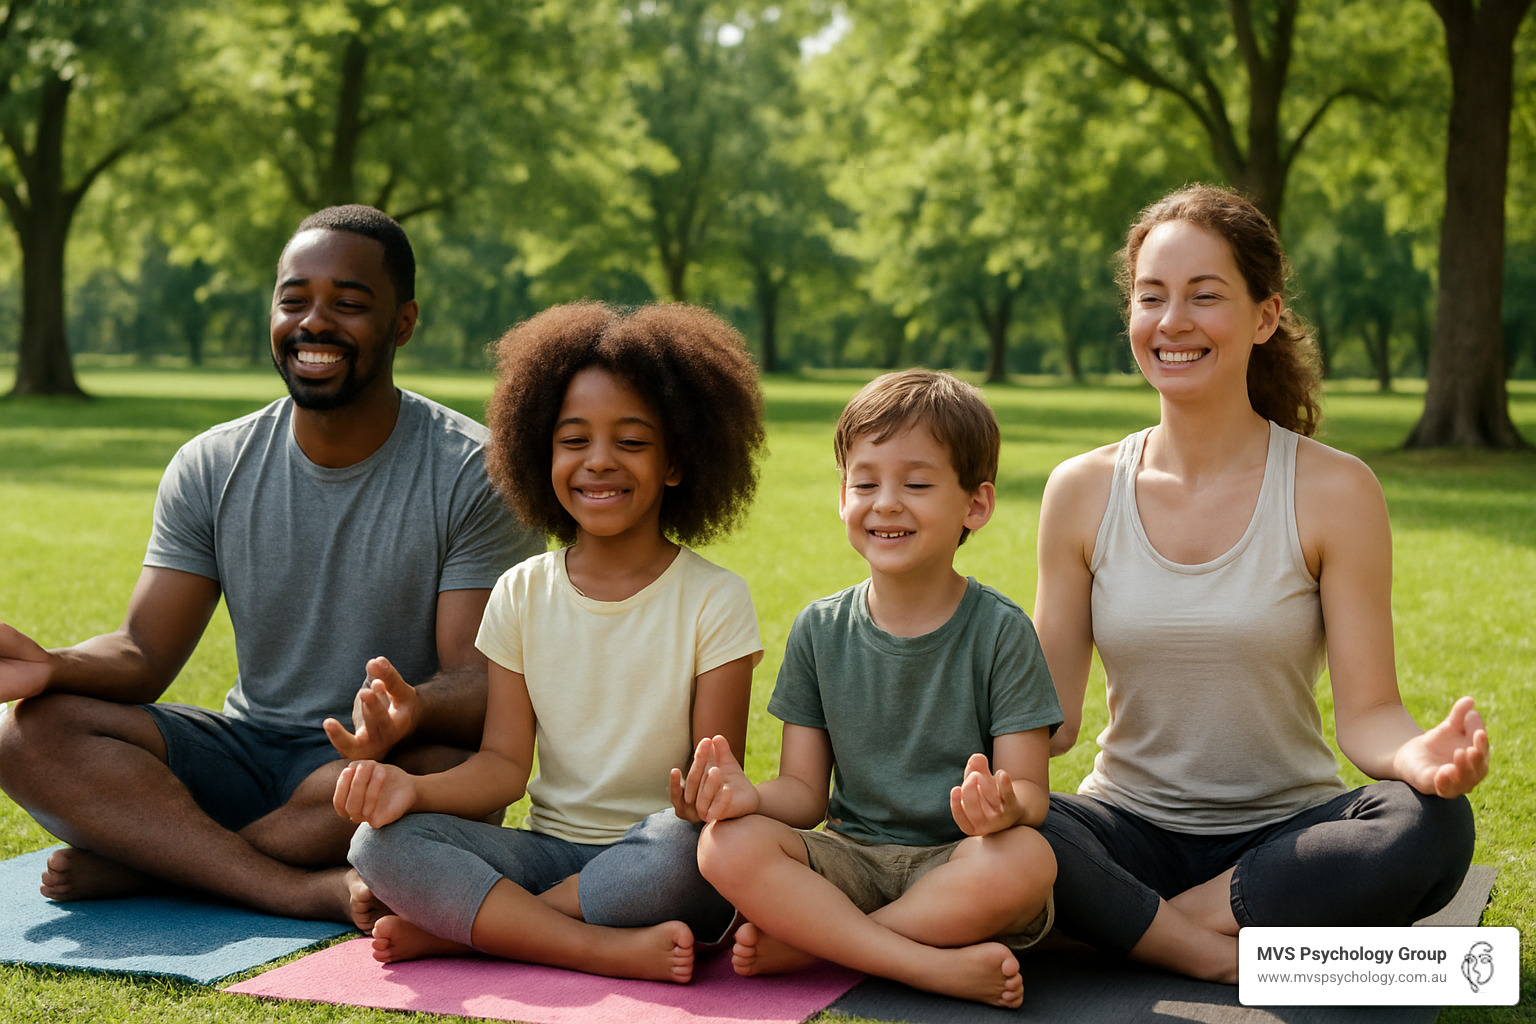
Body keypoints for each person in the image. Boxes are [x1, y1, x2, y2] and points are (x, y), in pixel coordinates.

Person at [0, 205, 539, 926]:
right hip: (245, 752)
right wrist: (51, 665)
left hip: (375, 765)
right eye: (294, 301)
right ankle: (289, 887)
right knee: (27, 734)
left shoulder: (474, 473)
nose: (314, 323)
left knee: (451, 768)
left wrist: (412, 706)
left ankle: (160, 859)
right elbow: (143, 652)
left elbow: (478, 682)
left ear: (403, 323)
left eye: (349, 304)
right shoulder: (211, 463)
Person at [1032, 184, 1488, 984]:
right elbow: (1051, 721)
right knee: (1018, 836)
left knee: (1431, 826)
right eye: (1151, 296)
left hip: (1290, 840)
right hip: (1125, 828)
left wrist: (1416, 756)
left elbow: (1369, 715)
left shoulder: (1336, 489)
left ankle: (1141, 928)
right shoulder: (1080, 489)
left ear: (1265, 317)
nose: (1172, 321)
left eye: (1205, 296)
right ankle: (1226, 951)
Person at [336, 301, 767, 984]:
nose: (599, 462)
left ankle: (482, 931)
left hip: (654, 856)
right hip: (545, 854)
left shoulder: (716, 599)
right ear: (541, 452)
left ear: (677, 461)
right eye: (574, 440)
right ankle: (593, 946)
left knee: (690, 851)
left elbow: (710, 788)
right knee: (378, 844)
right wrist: (409, 790)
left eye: (631, 442)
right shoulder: (520, 590)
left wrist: (701, 802)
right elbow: (503, 766)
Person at [673, 369, 1060, 1009]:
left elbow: (1031, 794)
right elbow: (803, 794)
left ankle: (822, 946)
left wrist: (1003, 810)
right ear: (842, 496)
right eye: (865, 483)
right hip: (848, 859)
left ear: (975, 505)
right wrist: (750, 797)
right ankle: (924, 965)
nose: (886, 503)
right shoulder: (818, 629)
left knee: (1028, 860)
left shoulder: (1001, 631)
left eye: (917, 484)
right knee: (725, 844)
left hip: (956, 864)